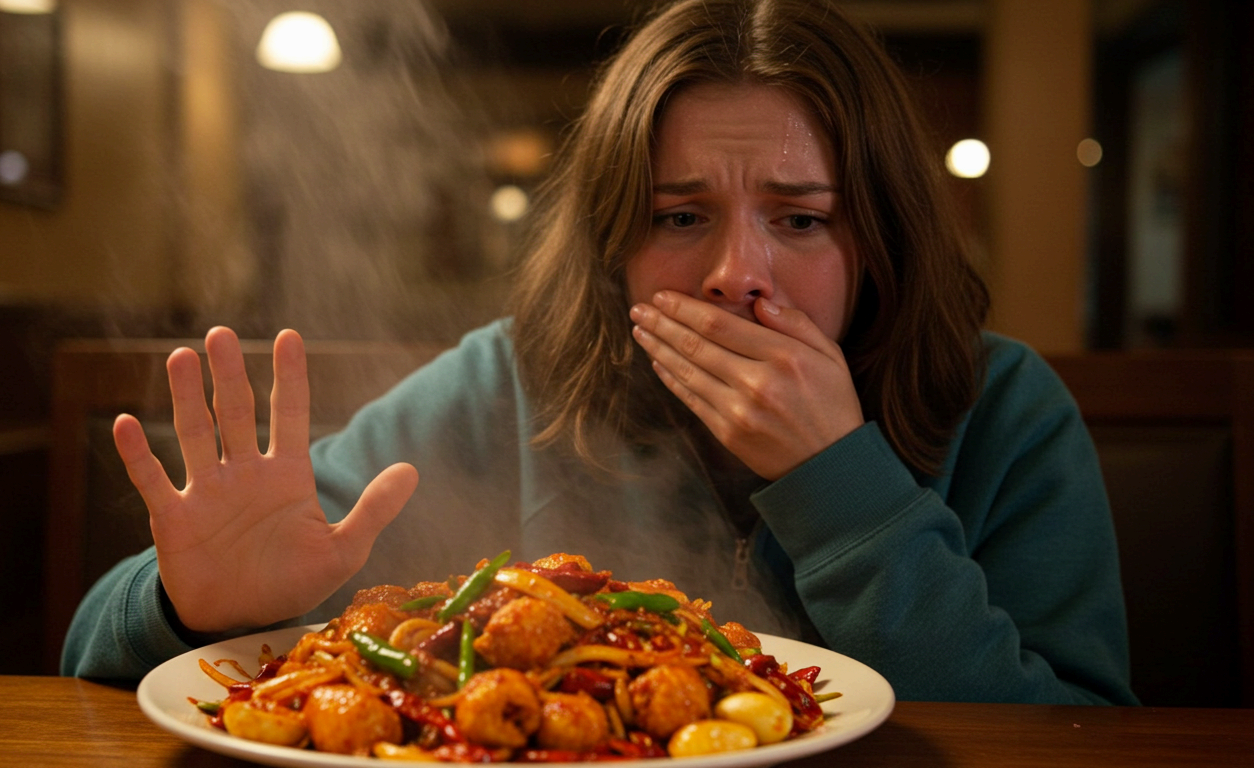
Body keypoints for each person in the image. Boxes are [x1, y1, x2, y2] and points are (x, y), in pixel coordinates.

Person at [63, 0, 1137, 705]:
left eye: (801, 219)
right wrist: (192, 606)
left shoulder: (1007, 408)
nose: (736, 274)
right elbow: (88, 657)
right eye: (680, 217)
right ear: (613, 245)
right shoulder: (506, 381)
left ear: (877, 242)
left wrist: (841, 487)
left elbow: (1078, 737)